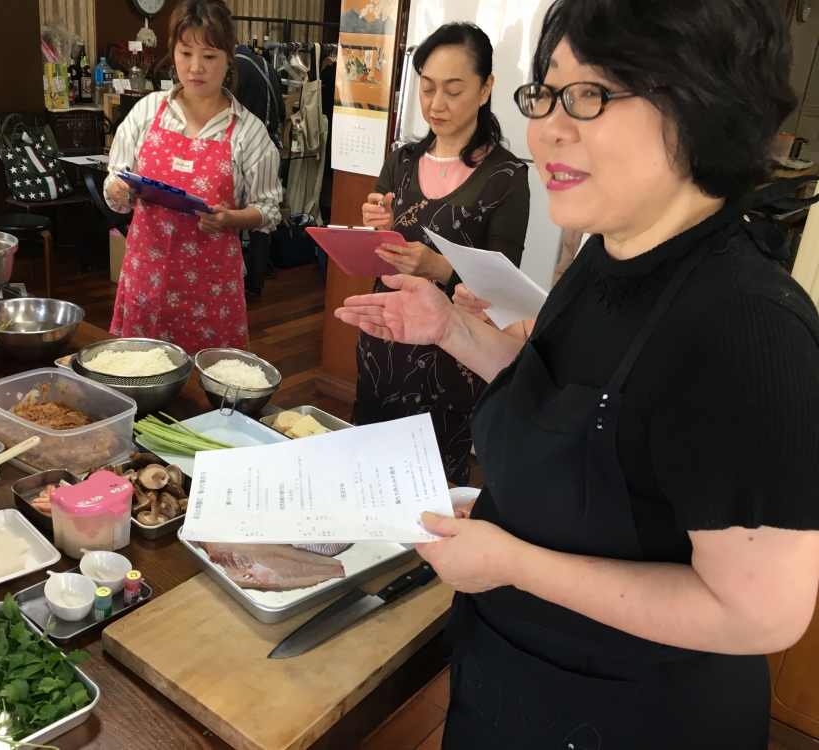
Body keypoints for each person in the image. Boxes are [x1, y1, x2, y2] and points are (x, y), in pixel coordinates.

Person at [336, 0, 819, 747]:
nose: (548, 129)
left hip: (630, 717)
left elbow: (760, 614)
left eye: (590, 95)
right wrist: (450, 329)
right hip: (513, 680)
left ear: (703, 103)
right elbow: (568, 398)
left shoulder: (748, 330)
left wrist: (515, 563)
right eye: (548, 93)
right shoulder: (608, 252)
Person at [355, 23, 530, 484]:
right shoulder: (402, 161)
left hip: (453, 355)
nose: (436, 104)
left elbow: (502, 286)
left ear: (486, 88)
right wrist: (378, 226)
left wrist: (438, 268)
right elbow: (380, 245)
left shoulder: (507, 176)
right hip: (384, 337)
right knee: (364, 468)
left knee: (430, 483)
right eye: (428, 88)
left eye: (453, 91)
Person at [104, 0, 281, 351]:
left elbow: (268, 209)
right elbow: (115, 178)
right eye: (185, 53)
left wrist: (230, 218)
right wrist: (119, 189)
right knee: (140, 368)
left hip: (211, 287)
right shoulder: (148, 111)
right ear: (173, 52)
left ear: (229, 57)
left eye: (209, 56)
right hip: (147, 278)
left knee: (206, 376)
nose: (195, 67)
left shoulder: (248, 131)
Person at [232, 42, 285, 297]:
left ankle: (238, 276)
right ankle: (256, 280)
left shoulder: (235, 68)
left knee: (235, 211)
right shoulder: (267, 66)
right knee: (262, 212)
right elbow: (282, 111)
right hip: (271, 143)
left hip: (244, 145)